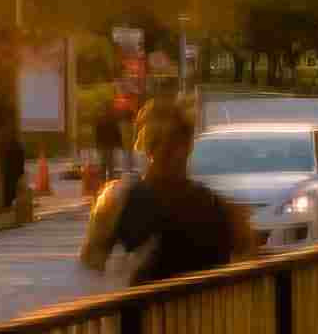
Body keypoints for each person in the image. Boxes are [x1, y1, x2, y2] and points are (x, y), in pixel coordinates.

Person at [79, 99, 248, 286]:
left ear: (147, 148)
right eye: (168, 147)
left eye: (175, 145)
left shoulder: (118, 199)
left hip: (146, 303)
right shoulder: (220, 207)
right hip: (205, 304)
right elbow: (246, 262)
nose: (175, 154)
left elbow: (92, 260)